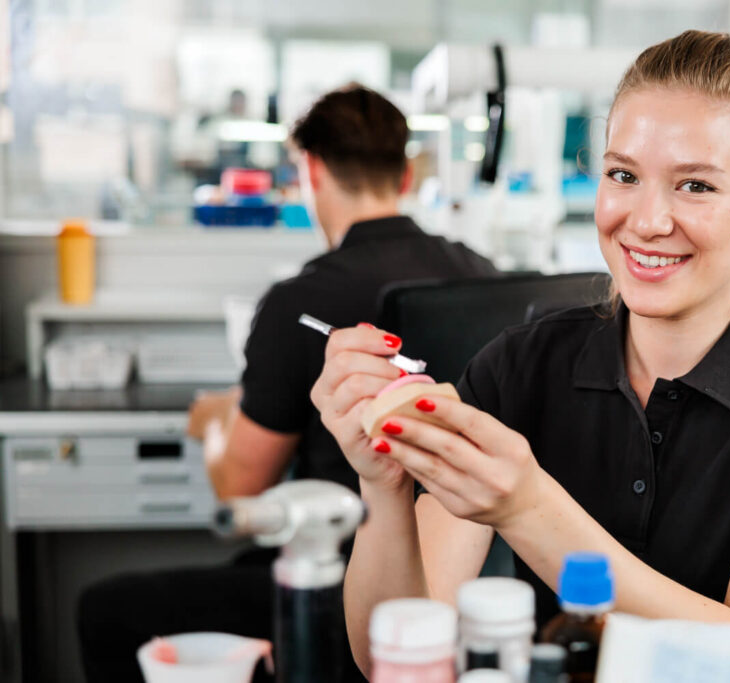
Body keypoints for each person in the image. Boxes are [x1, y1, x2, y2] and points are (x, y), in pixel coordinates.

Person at [311, 30, 730, 675]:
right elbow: (385, 660)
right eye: (623, 175)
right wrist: (383, 486)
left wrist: (526, 506)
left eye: (695, 186)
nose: (645, 220)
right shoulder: (517, 368)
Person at [76, 84, 497, 683]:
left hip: (341, 579)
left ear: (312, 172)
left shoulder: (298, 303)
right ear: (405, 176)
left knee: (106, 610)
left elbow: (240, 487)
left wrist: (216, 420)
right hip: (461, 589)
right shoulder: (483, 274)